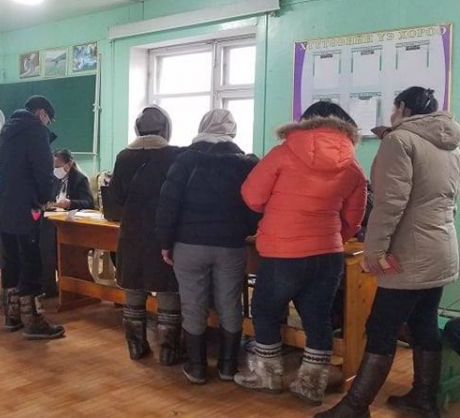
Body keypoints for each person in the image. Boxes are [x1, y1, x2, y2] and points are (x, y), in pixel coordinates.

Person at [318, 87, 460, 418]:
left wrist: (375, 251)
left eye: (394, 108)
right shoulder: (449, 143)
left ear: (403, 108)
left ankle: (355, 407)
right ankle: (424, 399)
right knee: (424, 323)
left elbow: (389, 203)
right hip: (441, 249)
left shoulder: (400, 142)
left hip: (408, 254)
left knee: (381, 327)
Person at [235, 101, 366, 406]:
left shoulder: (283, 153)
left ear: (305, 122)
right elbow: (354, 218)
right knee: (318, 317)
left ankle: (267, 376)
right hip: (328, 254)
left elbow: (252, 197)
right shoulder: (353, 166)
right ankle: (311, 384)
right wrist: (333, 238)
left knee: (265, 310)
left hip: (283, 251)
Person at [155, 109, 259, 384]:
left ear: (202, 127)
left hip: (188, 244)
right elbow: (256, 205)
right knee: (230, 303)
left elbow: (168, 204)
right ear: (232, 131)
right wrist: (245, 229)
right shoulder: (246, 163)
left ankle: (197, 367)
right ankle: (228, 366)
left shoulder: (185, 159)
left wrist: (165, 243)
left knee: (193, 305)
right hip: (230, 245)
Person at [109, 105, 182, 363]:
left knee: (133, 290)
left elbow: (116, 197)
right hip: (164, 233)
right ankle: (169, 351)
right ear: (165, 128)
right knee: (168, 290)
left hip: (131, 232)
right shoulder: (174, 155)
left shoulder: (123, 157)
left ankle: (135, 346)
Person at [0, 95, 65, 340]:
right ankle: (33, 320)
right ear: (42, 113)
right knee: (31, 260)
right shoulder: (36, 131)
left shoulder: (6, 131)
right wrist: (46, 198)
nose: (48, 124)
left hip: (5, 206)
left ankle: (12, 314)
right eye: (49, 120)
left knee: (11, 259)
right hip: (28, 207)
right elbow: (43, 171)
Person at [39, 148, 95, 297]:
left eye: (57, 166)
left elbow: (89, 203)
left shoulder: (80, 179)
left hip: (73, 223)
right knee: (45, 241)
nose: (55, 169)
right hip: (54, 220)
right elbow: (51, 197)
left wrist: (70, 203)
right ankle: (47, 286)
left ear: (68, 164)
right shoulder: (54, 179)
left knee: (55, 244)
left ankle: (67, 285)